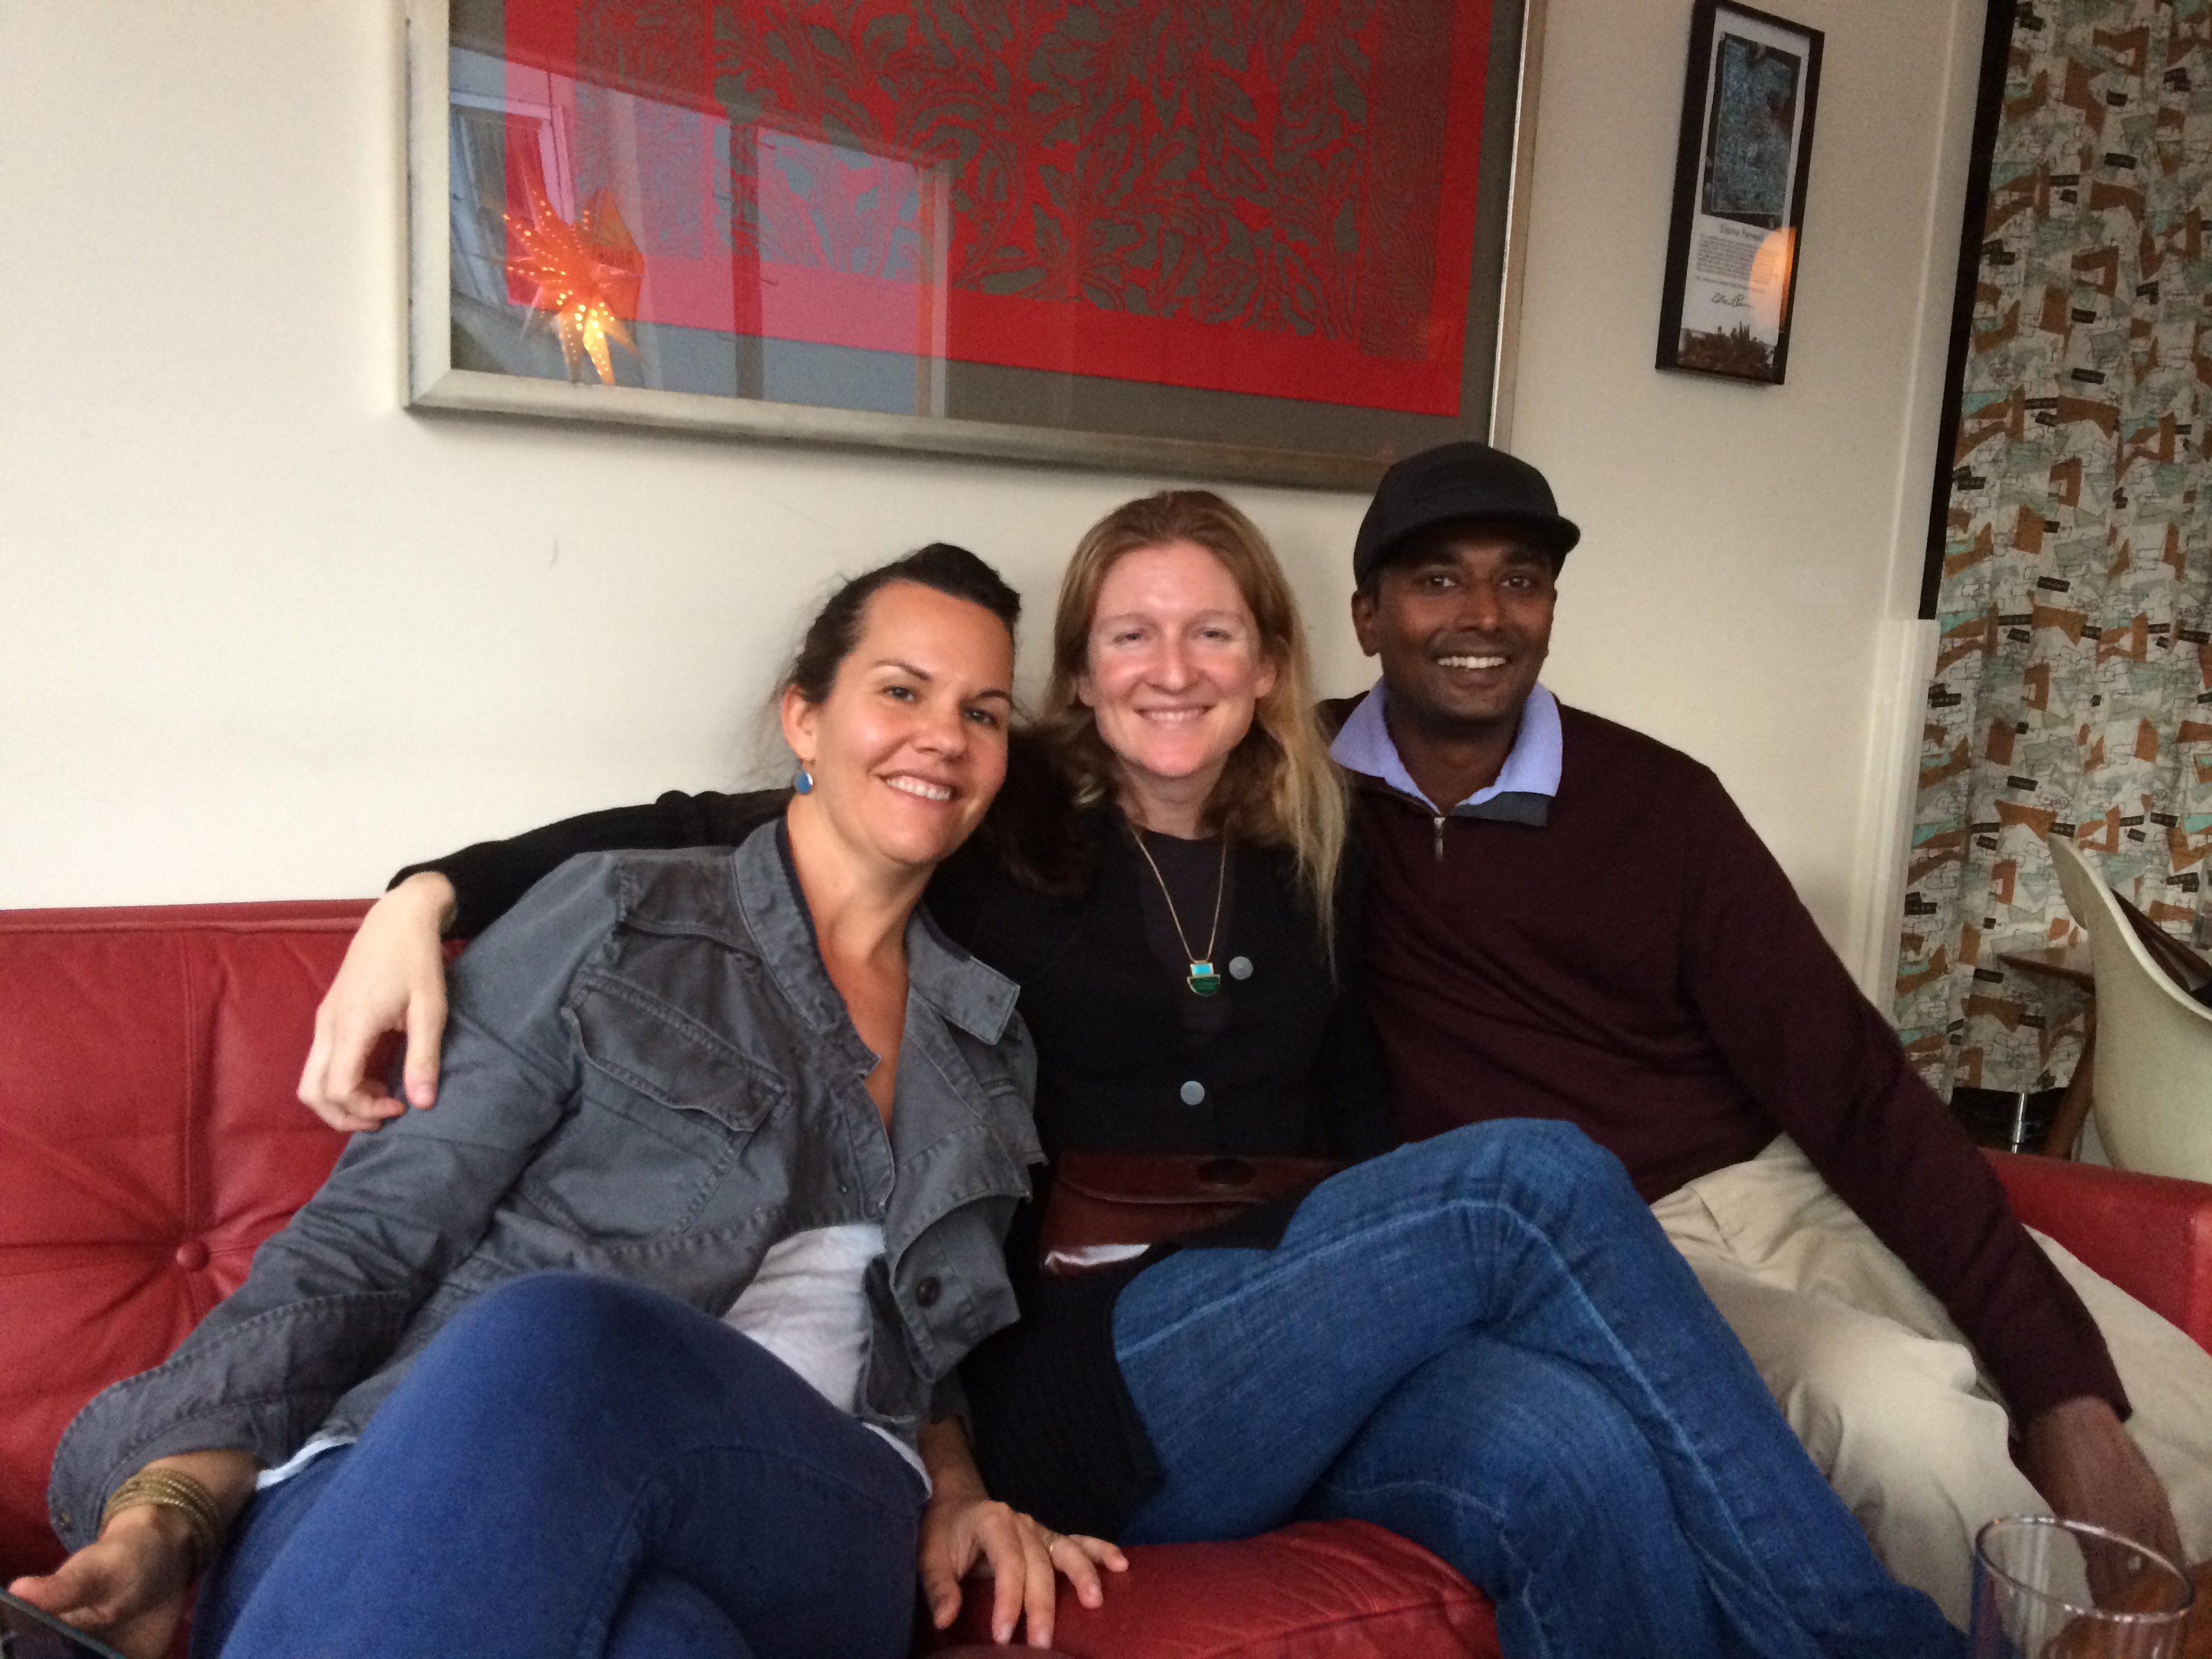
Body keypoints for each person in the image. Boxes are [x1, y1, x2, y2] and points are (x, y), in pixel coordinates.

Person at [289, 491, 1963, 1658]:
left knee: (1563, 1454)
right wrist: (427, 892)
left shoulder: (1321, 845)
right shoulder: (997, 820)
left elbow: (1359, 1125)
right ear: (1080, 677)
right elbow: (714, 825)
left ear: (1271, 661)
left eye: (1214, 632)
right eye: (1131, 635)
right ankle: (1869, 1645)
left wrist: (1401, 1299)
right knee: (1537, 1177)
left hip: (1302, 1328)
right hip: (1085, 1376)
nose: (1174, 669)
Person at [8, 544, 1130, 1659]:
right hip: (412, 1469)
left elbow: (931, 1353)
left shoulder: (984, 1040)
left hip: (800, 1509)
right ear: (804, 721)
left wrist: (961, 1491)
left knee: (569, 1333)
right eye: (901, 691)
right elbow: (372, 1235)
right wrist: (165, 1513)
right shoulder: (615, 918)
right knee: (662, 1640)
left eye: (982, 713)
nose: (945, 736)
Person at [1322, 441, 2212, 1623]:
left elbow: (1851, 1084)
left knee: (2170, 1409)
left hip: (1777, 1183)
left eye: (1519, 578)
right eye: (1438, 578)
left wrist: (2062, 1393)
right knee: (1909, 1427)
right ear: (1367, 614)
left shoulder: (1661, 802)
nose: (1484, 613)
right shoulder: (1291, 793)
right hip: (1596, 1243)